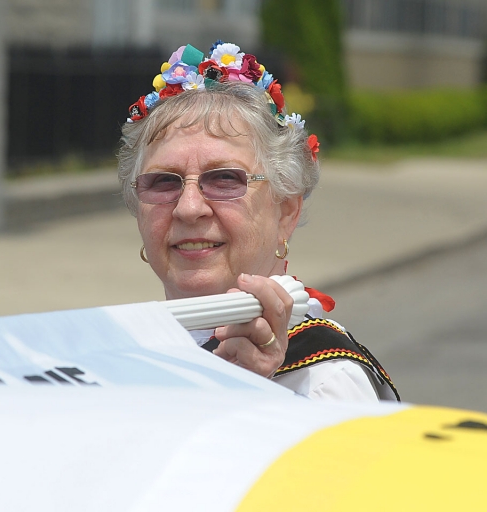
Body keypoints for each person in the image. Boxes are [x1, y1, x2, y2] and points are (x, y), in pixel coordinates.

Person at [118, 41, 399, 402]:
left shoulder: (325, 387)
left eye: (224, 179)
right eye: (163, 181)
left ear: (286, 212)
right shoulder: (119, 355)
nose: (188, 208)